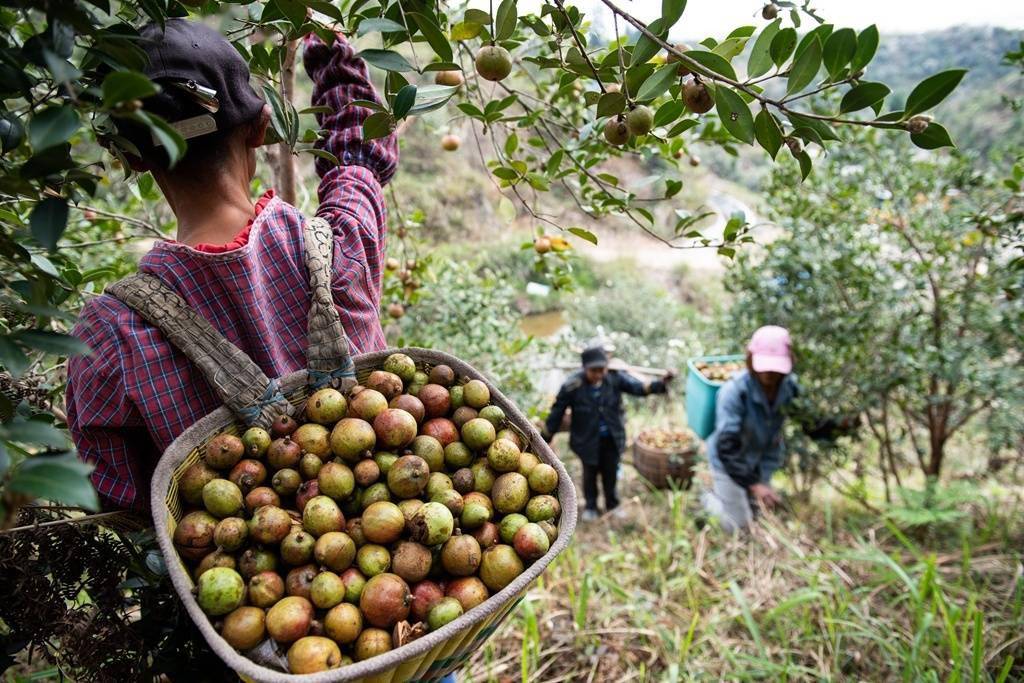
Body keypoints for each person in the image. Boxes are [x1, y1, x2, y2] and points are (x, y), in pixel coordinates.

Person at [66, 20, 397, 512]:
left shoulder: (108, 335)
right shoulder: (340, 244)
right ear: (262, 127)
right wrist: (326, 45)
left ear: (133, 159)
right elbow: (360, 153)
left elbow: (122, 495)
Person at [543, 346, 673, 521]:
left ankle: (612, 504)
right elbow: (557, 412)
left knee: (610, 473)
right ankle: (591, 506)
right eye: (593, 371)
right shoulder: (573, 385)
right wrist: (545, 438)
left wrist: (662, 383)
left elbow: (639, 388)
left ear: (606, 367)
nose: (598, 375)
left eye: (601, 370)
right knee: (589, 474)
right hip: (587, 440)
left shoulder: (614, 378)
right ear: (584, 368)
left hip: (612, 438)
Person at [702, 325, 798, 533]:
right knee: (737, 526)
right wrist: (756, 486)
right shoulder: (734, 392)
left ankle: (740, 498)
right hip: (729, 462)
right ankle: (709, 501)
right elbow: (726, 447)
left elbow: (808, 421)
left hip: (759, 459)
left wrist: (839, 426)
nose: (769, 373)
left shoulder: (789, 388)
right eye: (764, 366)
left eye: (775, 367)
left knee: (757, 513)